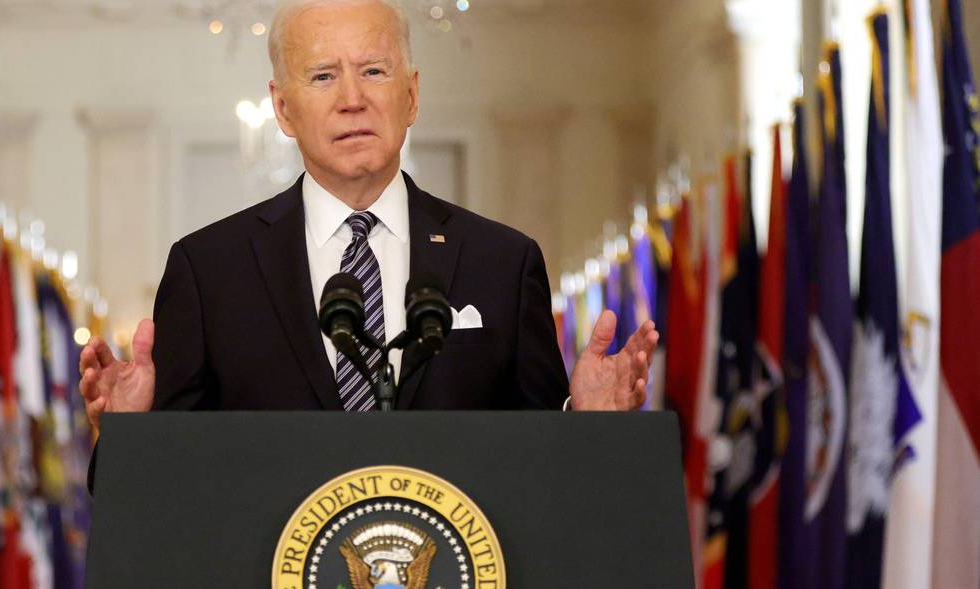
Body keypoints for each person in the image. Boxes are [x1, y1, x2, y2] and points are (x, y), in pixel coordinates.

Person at [78, 0, 658, 444]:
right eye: (324, 76)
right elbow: (170, 498)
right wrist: (130, 436)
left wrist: (588, 424)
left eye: (374, 71)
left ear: (411, 95)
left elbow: (543, 471)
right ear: (283, 108)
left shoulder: (502, 263)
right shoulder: (208, 270)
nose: (352, 99)